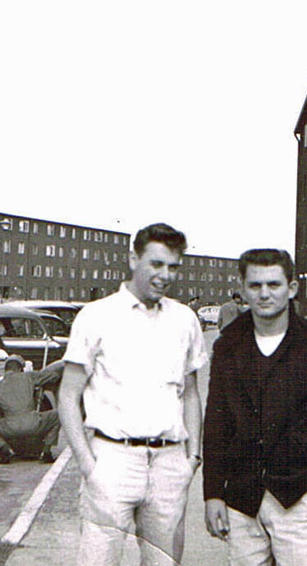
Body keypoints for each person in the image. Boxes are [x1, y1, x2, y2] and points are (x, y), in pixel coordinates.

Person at [59, 222, 208, 566]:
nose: (165, 275)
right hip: (112, 460)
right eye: (156, 264)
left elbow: (191, 395)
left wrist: (192, 459)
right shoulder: (96, 316)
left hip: (170, 463)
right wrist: (87, 463)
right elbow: (69, 395)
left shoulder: (185, 319)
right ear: (133, 259)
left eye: (173, 267)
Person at [203, 248, 307, 566]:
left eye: (274, 285)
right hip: (242, 497)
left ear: (292, 288)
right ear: (243, 288)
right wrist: (213, 493)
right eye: (255, 285)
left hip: (301, 496)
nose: (264, 294)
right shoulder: (227, 346)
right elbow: (216, 425)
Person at [0, 354, 63, 464]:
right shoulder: (28, 377)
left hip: (10, 427)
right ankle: (46, 451)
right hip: (33, 423)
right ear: (19, 368)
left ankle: (4, 449)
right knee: (58, 415)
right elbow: (53, 376)